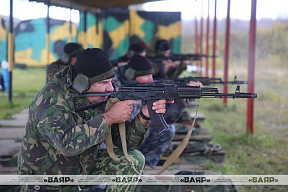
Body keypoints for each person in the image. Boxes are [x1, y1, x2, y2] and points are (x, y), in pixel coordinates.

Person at [18, 48, 168, 192]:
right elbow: (66, 145)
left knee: (133, 159)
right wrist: (108, 118)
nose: (110, 89)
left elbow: (126, 144)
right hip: (44, 183)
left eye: (111, 81)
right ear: (82, 83)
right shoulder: (50, 98)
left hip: (79, 170)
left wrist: (144, 116)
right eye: (104, 83)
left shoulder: (98, 97)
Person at [113, 54, 189, 168]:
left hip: (134, 136)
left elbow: (168, 119)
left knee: (168, 129)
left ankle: (146, 165)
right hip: (116, 141)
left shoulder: (142, 87)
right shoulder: (115, 88)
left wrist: (180, 101)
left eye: (151, 75)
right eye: (146, 75)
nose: (151, 80)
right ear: (131, 75)